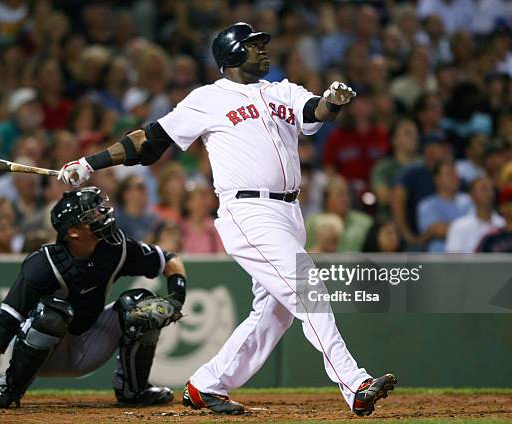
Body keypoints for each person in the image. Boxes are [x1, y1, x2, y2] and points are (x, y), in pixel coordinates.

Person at [57, 22, 395, 417]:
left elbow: (313, 110)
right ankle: (354, 382)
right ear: (232, 52)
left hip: (290, 212)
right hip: (249, 211)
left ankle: (206, 385)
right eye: (254, 45)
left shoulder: (280, 89)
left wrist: (332, 102)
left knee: (274, 313)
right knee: (308, 288)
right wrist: (90, 162)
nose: (263, 49)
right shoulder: (208, 99)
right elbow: (149, 141)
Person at [0, 186, 187, 408]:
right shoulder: (43, 263)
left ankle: (134, 390)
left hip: (90, 344)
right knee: (54, 313)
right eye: (91, 215)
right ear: (73, 231)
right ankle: (10, 388)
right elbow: (7, 319)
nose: (102, 215)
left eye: (99, 209)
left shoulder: (116, 247)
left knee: (140, 305)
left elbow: (168, 259)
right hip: (46, 351)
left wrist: (177, 297)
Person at [417, 159, 473, 252]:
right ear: (437, 179)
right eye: (449, 174)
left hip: (470, 258)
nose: (454, 177)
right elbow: (439, 231)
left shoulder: (469, 200)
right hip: (441, 260)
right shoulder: (427, 205)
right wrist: (473, 227)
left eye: (455, 173)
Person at [445, 176, 505, 253]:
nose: (489, 193)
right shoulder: (459, 226)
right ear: (471, 195)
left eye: (491, 189)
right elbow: (452, 260)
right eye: (484, 189)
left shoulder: (503, 224)